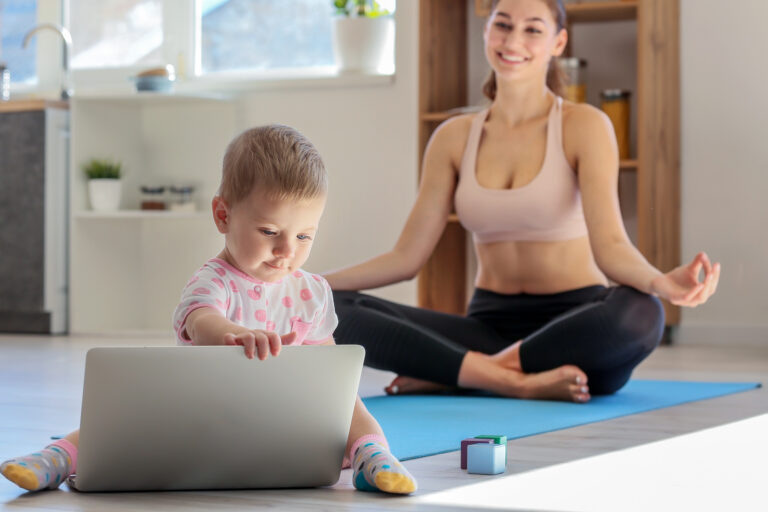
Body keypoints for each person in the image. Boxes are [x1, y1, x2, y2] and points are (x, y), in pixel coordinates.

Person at [325, 0, 720, 402]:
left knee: (642, 313)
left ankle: (467, 373)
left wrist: (660, 282)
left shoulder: (584, 126)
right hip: (487, 329)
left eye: (533, 29)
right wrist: (309, 285)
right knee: (332, 308)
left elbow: (612, 247)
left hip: (576, 326)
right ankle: (509, 379)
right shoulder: (453, 136)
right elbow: (406, 258)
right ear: (486, 32)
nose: (514, 40)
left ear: (558, 41)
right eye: (503, 25)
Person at [1, 125, 416, 495]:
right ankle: (58, 457)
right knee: (138, 415)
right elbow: (202, 324)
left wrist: (326, 385)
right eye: (270, 231)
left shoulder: (313, 290)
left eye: (305, 236)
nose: (287, 251)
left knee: (351, 403)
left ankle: (372, 455)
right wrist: (236, 334)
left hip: (283, 421)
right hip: (208, 416)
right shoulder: (212, 281)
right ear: (223, 215)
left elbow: (330, 371)